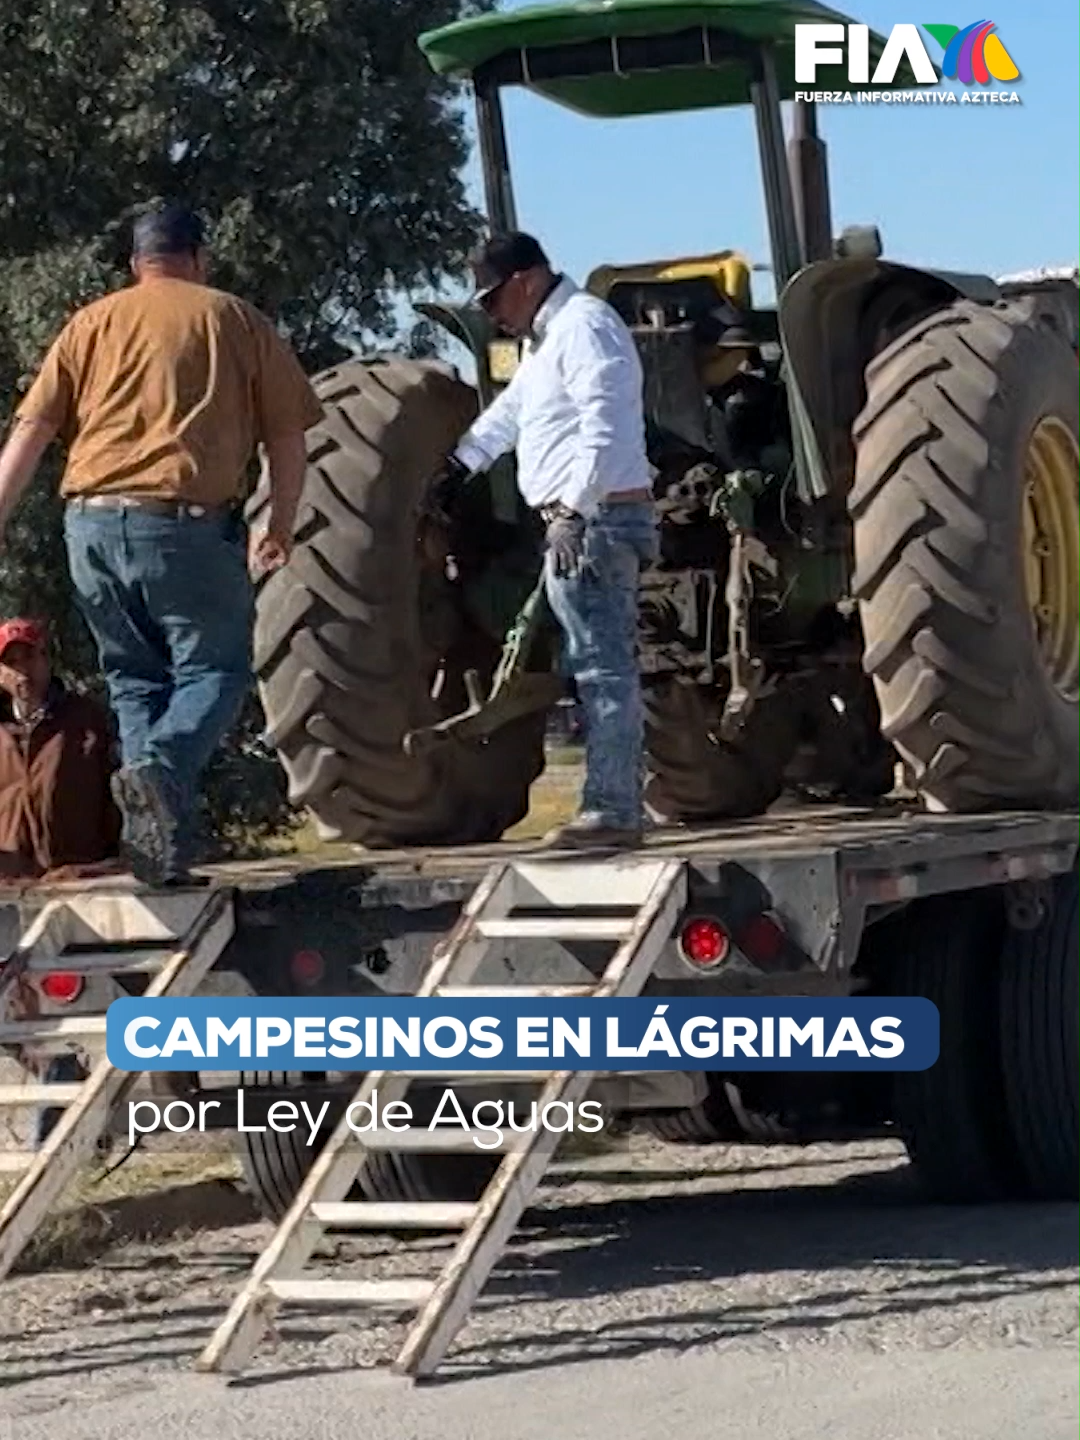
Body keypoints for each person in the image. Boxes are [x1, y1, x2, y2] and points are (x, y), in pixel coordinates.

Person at [0, 204, 324, 886]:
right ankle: (161, 767)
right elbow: (288, 438)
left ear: (134, 264)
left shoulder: (89, 324)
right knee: (217, 670)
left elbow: (28, 436)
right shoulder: (235, 319)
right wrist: (280, 523)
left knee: (134, 678)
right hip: (179, 524)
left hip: (87, 528)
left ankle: (157, 847)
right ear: (198, 258)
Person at [439, 232, 658, 850]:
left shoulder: (586, 327)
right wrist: (462, 464)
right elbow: (515, 412)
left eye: (491, 298)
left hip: (597, 521)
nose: (489, 313)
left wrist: (572, 510)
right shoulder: (547, 340)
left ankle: (614, 811)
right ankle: (612, 805)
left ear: (527, 281)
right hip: (582, 518)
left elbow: (606, 429)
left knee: (602, 666)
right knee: (593, 662)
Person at [0, 616, 122, 881]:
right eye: (11, 662)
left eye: (30, 657)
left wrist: (109, 865)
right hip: (10, 891)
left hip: (81, 882)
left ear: (47, 660)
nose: (22, 670)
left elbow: (118, 798)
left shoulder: (86, 719)